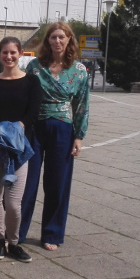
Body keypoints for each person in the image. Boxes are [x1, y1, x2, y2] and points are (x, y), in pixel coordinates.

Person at [19, 22, 89, 251]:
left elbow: (81, 105)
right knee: (27, 182)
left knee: (57, 183)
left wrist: (79, 136)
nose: (57, 41)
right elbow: (24, 97)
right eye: (52, 37)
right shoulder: (35, 66)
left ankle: (52, 233)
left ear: (69, 40)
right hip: (35, 127)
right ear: (47, 41)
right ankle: (17, 231)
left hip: (63, 129)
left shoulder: (78, 70)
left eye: (61, 37)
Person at [0, 37, 42, 262]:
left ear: (20, 53)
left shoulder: (31, 82)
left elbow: (33, 113)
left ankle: (13, 242)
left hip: (18, 149)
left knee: (14, 204)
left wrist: (14, 132)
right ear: (0, 55)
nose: (8, 57)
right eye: (4, 53)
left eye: (13, 53)